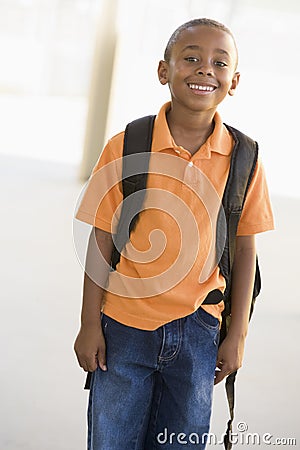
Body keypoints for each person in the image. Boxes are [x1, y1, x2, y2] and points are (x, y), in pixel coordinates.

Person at [74, 18, 274, 449]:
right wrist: (89, 323)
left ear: (233, 81)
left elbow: (245, 250)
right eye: (191, 59)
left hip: (200, 329)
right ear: (164, 71)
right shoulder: (127, 145)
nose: (205, 69)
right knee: (112, 440)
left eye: (219, 63)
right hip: (123, 328)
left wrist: (237, 335)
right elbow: (102, 237)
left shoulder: (244, 158)